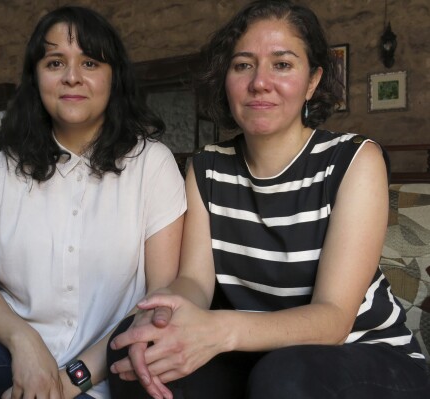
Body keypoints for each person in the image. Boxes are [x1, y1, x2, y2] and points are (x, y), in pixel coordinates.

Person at [107, 1, 430, 398]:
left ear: (312, 81)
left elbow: (333, 319)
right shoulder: (206, 167)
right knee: (136, 350)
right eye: (243, 65)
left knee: (285, 377)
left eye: (282, 64)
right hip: (255, 352)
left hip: (364, 356)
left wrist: (221, 330)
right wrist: (166, 315)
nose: (259, 82)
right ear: (226, 80)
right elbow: (194, 280)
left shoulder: (354, 160)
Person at [0, 6, 186, 399]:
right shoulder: (9, 166)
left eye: (90, 62)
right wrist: (23, 341)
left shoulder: (152, 164)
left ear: (115, 78)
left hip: (108, 356)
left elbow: (158, 300)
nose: (71, 76)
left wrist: (69, 380)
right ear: (36, 76)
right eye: (55, 61)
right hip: (10, 342)